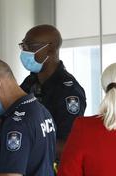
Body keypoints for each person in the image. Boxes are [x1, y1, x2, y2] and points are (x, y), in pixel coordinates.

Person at [19, 24, 86, 158]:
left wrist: (29, 143)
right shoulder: (30, 82)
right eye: (23, 46)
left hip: (52, 172)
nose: (24, 52)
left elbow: (68, 144)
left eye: (30, 46)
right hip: (27, 165)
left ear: (50, 48)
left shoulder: (69, 91)